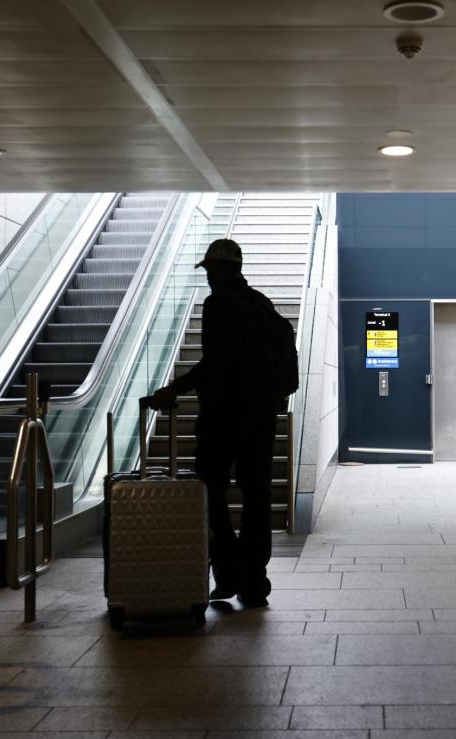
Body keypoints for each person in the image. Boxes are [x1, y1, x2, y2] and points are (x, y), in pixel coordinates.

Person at [149, 238, 282, 607]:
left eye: (211, 270)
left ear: (226, 270)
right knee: (256, 495)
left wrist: (174, 388)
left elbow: (216, 362)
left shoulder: (218, 305)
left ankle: (228, 571)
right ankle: (254, 580)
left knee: (210, 489)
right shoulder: (261, 304)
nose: (208, 278)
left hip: (224, 415)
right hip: (261, 416)